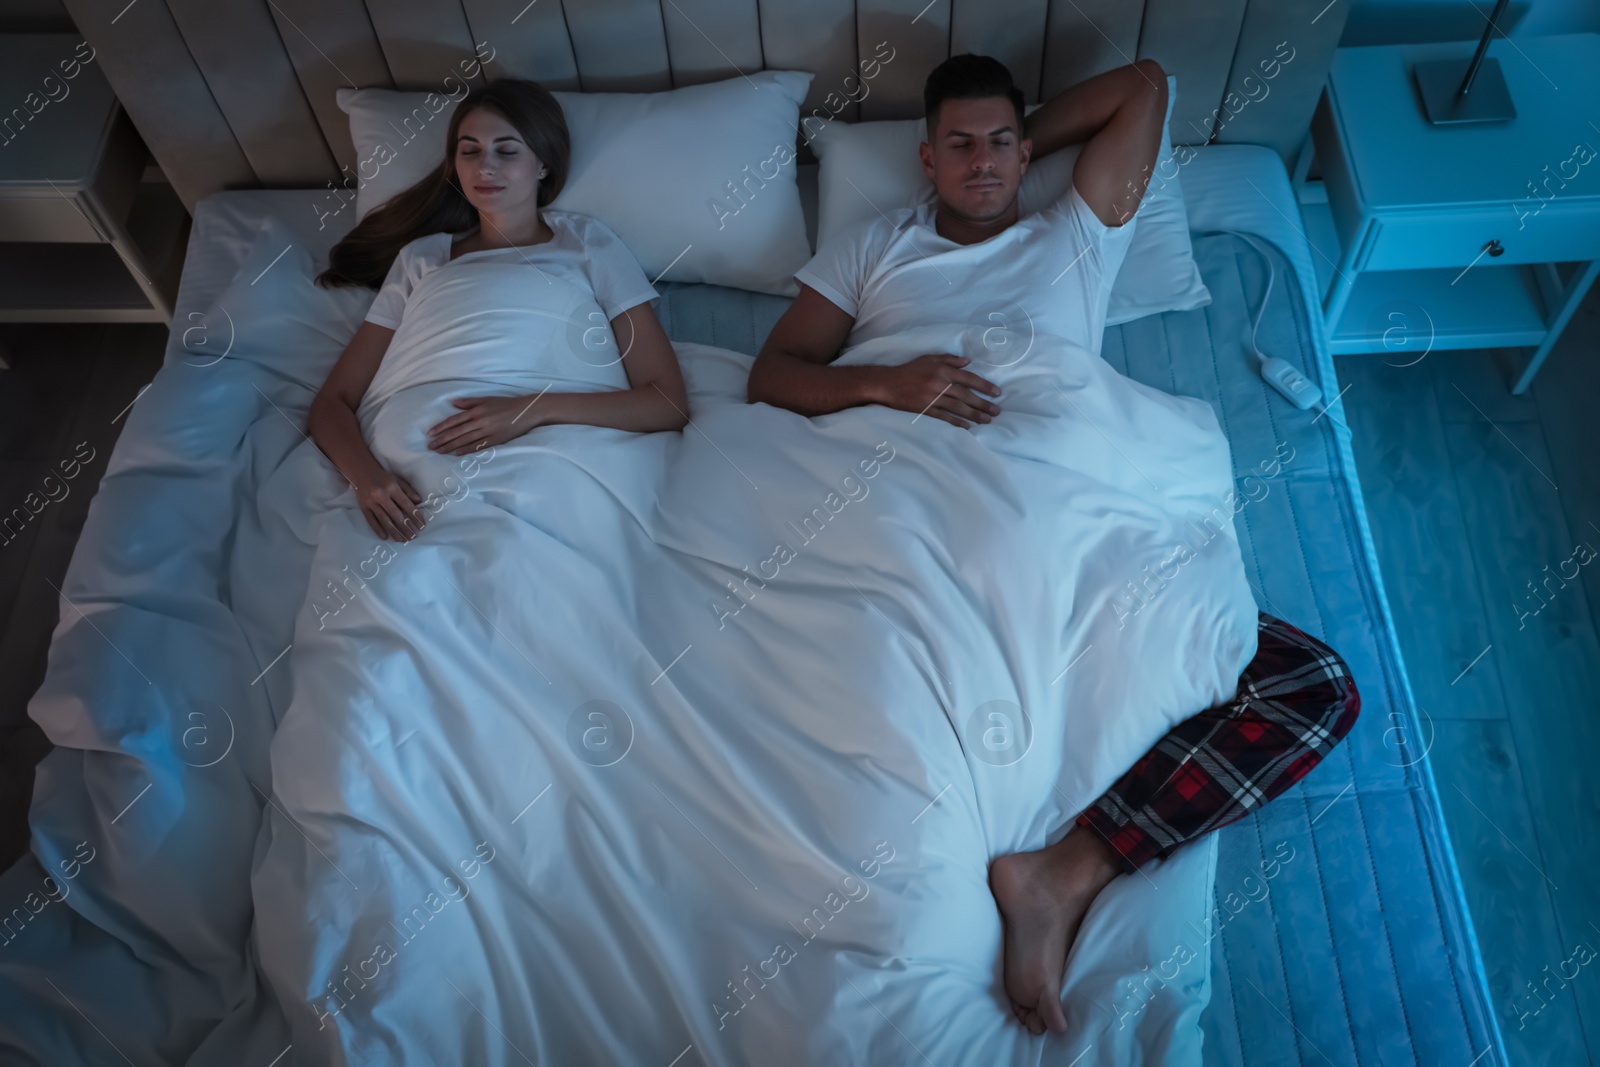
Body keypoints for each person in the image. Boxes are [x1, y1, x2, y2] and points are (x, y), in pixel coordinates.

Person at [748, 53, 1361, 1036]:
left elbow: (1147, 84)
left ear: (1029, 146)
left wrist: (1029, 135)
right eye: (960, 143)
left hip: (1066, 508)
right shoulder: (875, 247)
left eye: (1001, 142)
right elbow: (772, 373)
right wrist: (886, 382)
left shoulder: (1073, 233)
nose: (983, 161)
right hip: (902, 490)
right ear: (925, 157)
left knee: (1312, 685)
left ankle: (1066, 867)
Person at [311, 78, 688, 542]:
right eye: (470, 151)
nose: (485, 166)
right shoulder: (422, 258)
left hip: (550, 451)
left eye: (506, 151)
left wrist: (530, 410)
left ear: (543, 165)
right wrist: (367, 479)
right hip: (407, 476)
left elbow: (667, 403)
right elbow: (332, 403)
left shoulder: (587, 244)